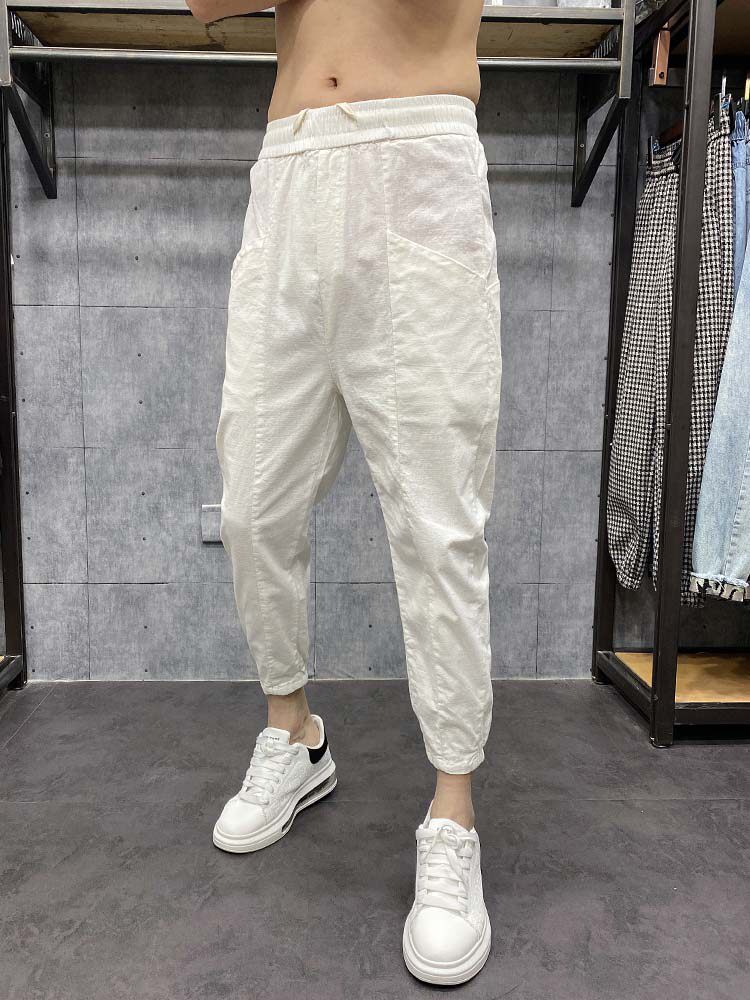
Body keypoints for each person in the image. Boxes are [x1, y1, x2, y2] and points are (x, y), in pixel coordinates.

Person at [186, 0, 502, 986]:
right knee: (253, 501)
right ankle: (295, 734)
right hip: (288, 172)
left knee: (438, 523)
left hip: (417, 162)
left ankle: (453, 812)